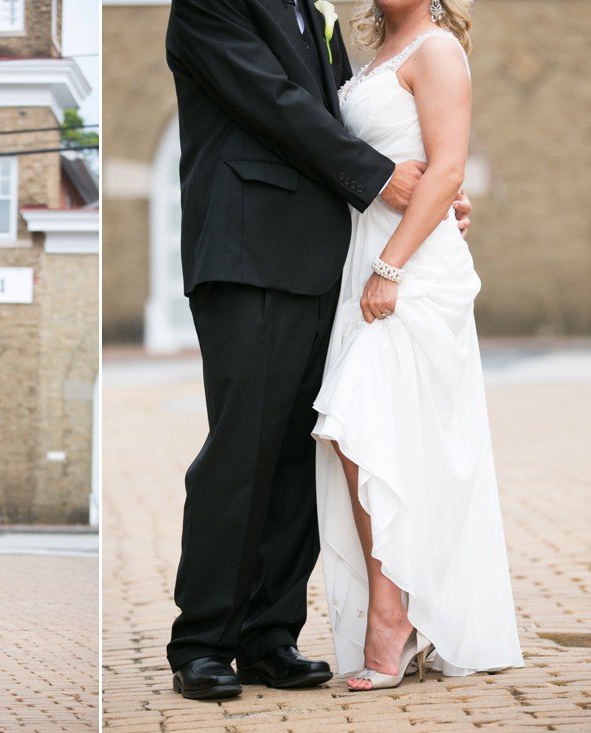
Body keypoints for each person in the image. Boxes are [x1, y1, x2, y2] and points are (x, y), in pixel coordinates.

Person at [163, 0, 472, 701]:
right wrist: (382, 178)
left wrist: (427, 200)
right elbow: (274, 104)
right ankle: (204, 640)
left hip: (324, 261)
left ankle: (269, 634)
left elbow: (343, 117)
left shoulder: (311, 9)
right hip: (250, 251)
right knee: (244, 447)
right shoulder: (210, 7)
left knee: (301, 453)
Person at [312, 0, 523, 690]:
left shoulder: (435, 50)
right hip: (364, 261)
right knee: (375, 434)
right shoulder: (366, 53)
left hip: (409, 271)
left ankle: (392, 612)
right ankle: (397, 607)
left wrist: (391, 267)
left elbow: (447, 169)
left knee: (355, 421)